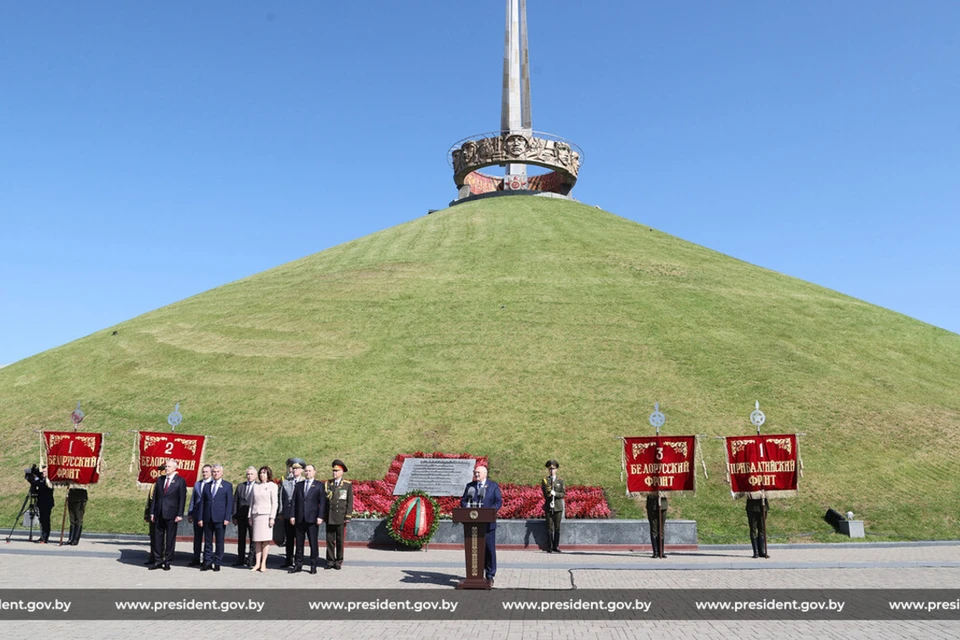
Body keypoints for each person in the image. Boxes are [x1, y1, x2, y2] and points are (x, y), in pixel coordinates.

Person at [460, 465, 502, 585]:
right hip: (473, 526)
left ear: (485, 473)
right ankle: (476, 575)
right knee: (475, 550)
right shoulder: (470, 486)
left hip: (488, 525)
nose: (476, 474)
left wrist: (491, 512)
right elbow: (463, 501)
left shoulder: (493, 486)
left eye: (478, 472)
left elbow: (498, 501)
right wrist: (466, 507)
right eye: (475, 472)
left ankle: (490, 575)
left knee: (489, 550)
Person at [150, 459, 187, 570]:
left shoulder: (180, 481)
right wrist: (152, 512)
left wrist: (180, 514)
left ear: (175, 468)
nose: (166, 468)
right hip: (159, 513)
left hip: (172, 514)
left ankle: (167, 560)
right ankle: (158, 560)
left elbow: (182, 499)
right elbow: (155, 498)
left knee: (170, 538)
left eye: (169, 467)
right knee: (158, 538)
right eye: (166, 467)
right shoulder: (160, 480)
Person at [287, 463, 323, 574]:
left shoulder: (319, 485)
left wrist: (320, 516)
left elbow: (322, 503)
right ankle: (298, 565)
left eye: (310, 471)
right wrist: (292, 515)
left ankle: (313, 565)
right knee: (299, 542)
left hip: (312, 519)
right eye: (306, 471)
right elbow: (294, 502)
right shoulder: (299, 485)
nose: (308, 473)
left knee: (313, 543)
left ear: (314, 472)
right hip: (299, 518)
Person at [199, 463, 233, 571]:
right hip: (208, 517)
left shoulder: (227, 486)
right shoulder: (207, 485)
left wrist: (227, 517)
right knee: (207, 541)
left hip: (220, 518)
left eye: (218, 472)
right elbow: (202, 503)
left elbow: (229, 503)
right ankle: (207, 561)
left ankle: (217, 562)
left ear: (222, 473)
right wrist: (200, 518)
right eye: (214, 472)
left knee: (219, 541)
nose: (215, 473)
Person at [322, 459, 353, 570]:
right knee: (330, 540)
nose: (334, 473)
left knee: (340, 540)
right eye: (333, 471)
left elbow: (350, 502)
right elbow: (324, 501)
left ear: (341, 472)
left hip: (340, 516)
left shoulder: (347, 485)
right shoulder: (328, 484)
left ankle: (339, 560)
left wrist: (348, 515)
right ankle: (330, 560)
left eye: (336, 471)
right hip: (330, 516)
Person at [250, 465, 278, 572]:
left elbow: (274, 503)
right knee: (257, 540)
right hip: (256, 515)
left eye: (264, 473)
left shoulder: (272, 486)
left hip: (266, 515)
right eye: (261, 473)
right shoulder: (255, 486)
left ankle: (263, 563)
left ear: (268, 474)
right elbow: (252, 503)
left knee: (265, 540)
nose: (262, 475)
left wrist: (272, 517)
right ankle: (257, 563)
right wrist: (250, 516)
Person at [279, 459, 305, 567]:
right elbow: (281, 497)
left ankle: (298, 561)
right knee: (288, 538)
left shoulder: (304, 481)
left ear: (302, 470)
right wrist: (281, 512)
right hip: (288, 512)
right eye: (293, 468)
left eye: (297, 468)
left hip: (299, 514)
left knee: (299, 539)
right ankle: (288, 559)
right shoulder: (286, 481)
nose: (294, 470)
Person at [187, 464, 212, 566]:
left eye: (206, 472)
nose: (204, 473)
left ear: (210, 472)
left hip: (208, 515)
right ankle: (196, 557)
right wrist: (190, 513)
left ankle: (207, 559)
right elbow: (193, 499)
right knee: (197, 537)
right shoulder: (197, 484)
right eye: (203, 472)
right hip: (197, 514)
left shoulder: (212, 484)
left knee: (208, 538)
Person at [232, 466, 257, 566]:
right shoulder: (240, 486)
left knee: (253, 539)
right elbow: (235, 502)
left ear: (255, 475)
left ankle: (251, 559)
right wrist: (234, 516)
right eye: (248, 474)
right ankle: (240, 558)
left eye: (251, 474)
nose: (249, 476)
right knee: (241, 538)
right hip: (241, 517)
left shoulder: (258, 486)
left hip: (253, 517)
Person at [541, 460, 565, 553]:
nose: (551, 470)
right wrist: (549, 494)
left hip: (558, 507)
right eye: (550, 469)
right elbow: (544, 494)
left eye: (553, 469)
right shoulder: (545, 481)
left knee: (557, 527)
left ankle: (556, 546)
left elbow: (563, 494)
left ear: (556, 469)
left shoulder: (560, 480)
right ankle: (550, 546)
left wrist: (556, 494)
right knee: (549, 527)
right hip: (548, 506)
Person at [142, 464, 164, 565]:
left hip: (162, 514)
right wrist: (147, 514)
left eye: (162, 470)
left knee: (161, 537)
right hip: (153, 514)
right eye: (160, 471)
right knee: (153, 536)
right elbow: (149, 500)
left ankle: (160, 557)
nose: (160, 473)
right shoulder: (154, 484)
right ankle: (152, 556)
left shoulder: (164, 484)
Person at [29, 465, 55, 544]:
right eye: (42, 471)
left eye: (44, 471)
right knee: (42, 520)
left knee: (45, 520)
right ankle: (42, 535)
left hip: (47, 503)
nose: (43, 473)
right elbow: (38, 487)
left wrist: (35, 479)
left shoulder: (49, 480)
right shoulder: (41, 479)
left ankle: (45, 537)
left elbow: (42, 486)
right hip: (41, 502)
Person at [646, 494, 668, 559]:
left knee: (661, 529)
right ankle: (655, 552)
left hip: (663, 503)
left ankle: (661, 551)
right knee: (654, 529)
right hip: (652, 504)